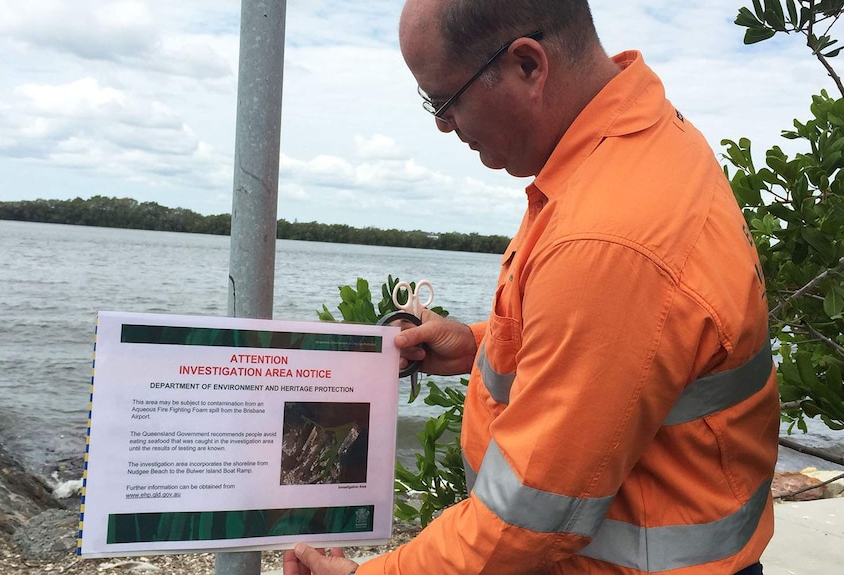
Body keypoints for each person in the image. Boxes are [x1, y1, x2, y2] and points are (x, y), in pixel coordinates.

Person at [284, 0, 779, 573]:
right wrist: (475, 344)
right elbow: (621, 346)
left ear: (527, 64)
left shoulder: (607, 237)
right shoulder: (637, 140)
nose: (445, 125)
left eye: (444, 101)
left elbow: (525, 520)